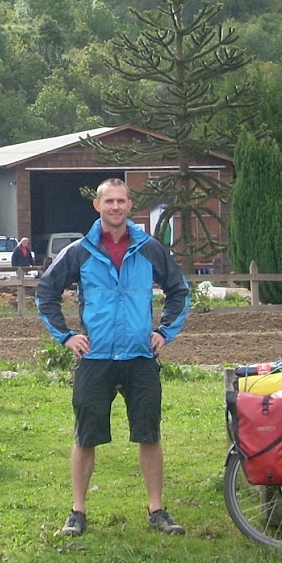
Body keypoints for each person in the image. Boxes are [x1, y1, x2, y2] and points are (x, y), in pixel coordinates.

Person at [34, 178, 191, 537]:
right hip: (96, 357)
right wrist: (67, 336)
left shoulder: (150, 249)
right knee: (85, 436)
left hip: (139, 356)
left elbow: (179, 292)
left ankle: (157, 510)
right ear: (98, 206)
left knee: (149, 434)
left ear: (129, 206)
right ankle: (77, 512)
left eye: (121, 201)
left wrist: (164, 332)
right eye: (110, 202)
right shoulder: (79, 251)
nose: (116, 207)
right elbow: (46, 293)